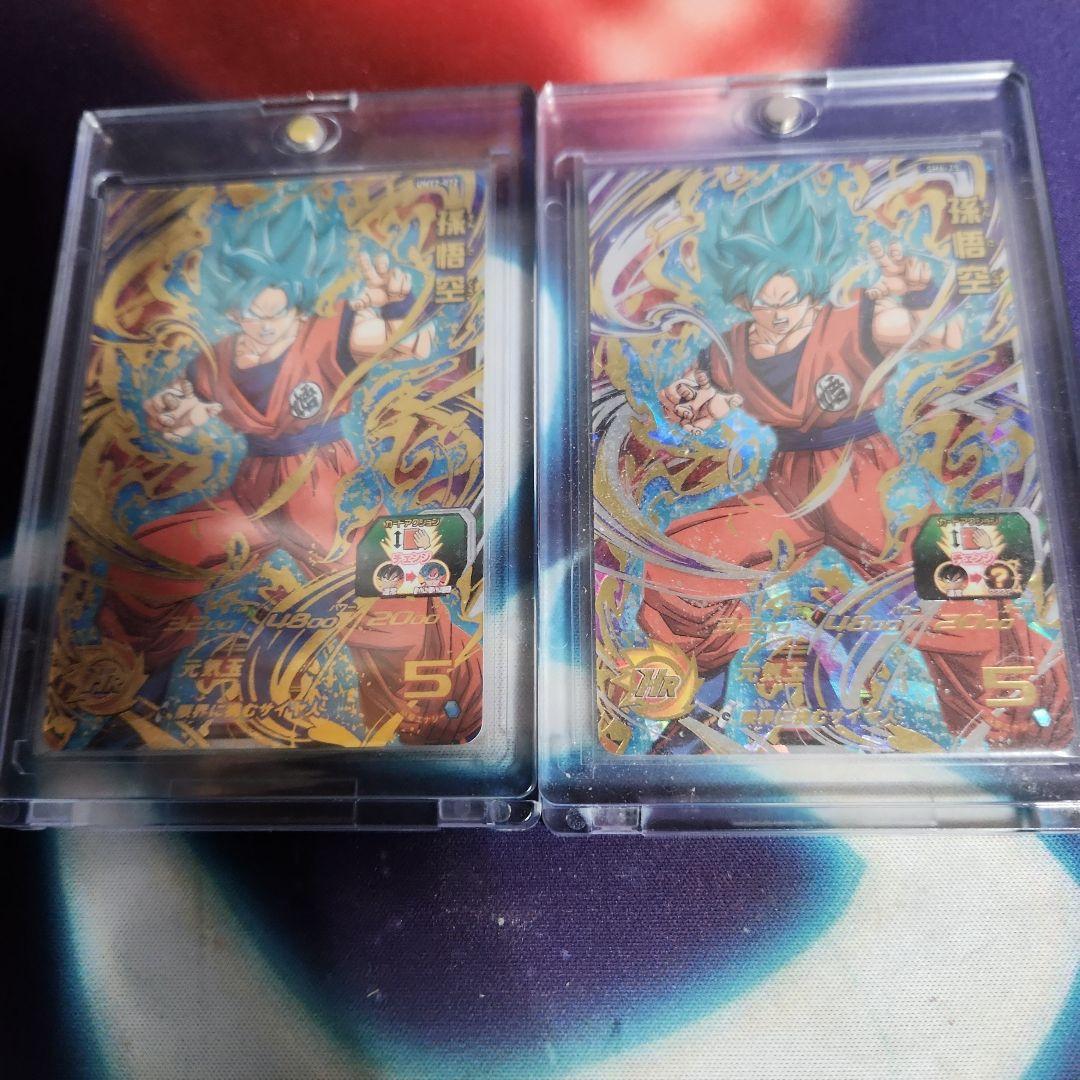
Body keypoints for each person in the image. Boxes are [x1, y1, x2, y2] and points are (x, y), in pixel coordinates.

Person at [640, 182, 1068, 749]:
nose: (777, 316)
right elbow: (710, 399)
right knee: (683, 557)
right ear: (742, 295)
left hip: (872, 485)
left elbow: (948, 333)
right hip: (788, 491)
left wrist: (922, 290)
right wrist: (687, 410)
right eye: (763, 303)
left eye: (790, 301)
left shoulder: (855, 322)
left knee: (962, 595)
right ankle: (699, 700)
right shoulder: (731, 348)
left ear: (813, 287)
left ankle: (1022, 725)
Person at [97, 195, 481, 745]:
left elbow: (412, 343)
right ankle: (129, 686)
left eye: (269, 314)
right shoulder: (218, 355)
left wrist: (395, 303)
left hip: (329, 491)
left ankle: (447, 720)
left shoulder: (328, 334)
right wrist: (174, 413)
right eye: (242, 313)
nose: (253, 326)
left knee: (396, 606)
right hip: (250, 495)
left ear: (299, 300)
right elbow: (187, 406)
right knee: (149, 560)